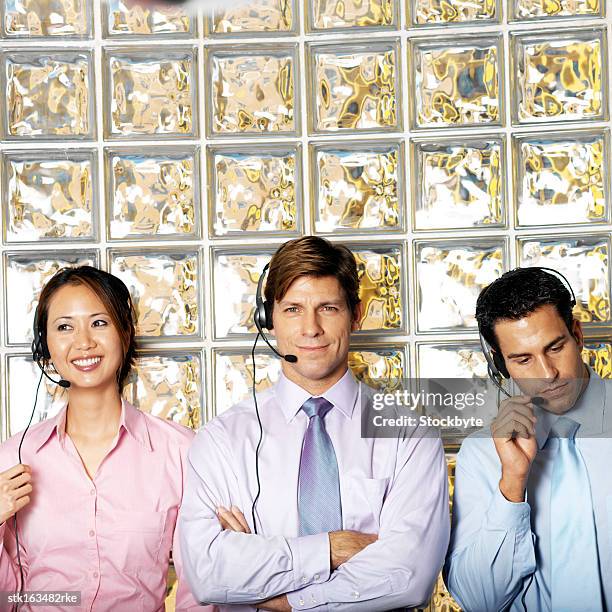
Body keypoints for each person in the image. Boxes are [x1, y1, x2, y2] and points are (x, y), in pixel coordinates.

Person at [179, 236, 449, 611]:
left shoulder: (409, 436)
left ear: (355, 315)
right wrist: (330, 549)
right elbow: (207, 573)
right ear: (267, 318)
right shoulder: (223, 439)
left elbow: (409, 578)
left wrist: (281, 597)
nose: (311, 328)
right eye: (292, 309)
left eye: (328, 308)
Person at [0, 266, 205, 611]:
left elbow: (199, 587)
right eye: (65, 327)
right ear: (44, 345)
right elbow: (7, 599)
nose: (84, 343)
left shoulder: (181, 452)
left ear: (125, 332)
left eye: (99, 323)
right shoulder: (14, 457)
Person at [445, 267, 612, 611]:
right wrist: (512, 482)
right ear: (501, 365)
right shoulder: (480, 454)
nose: (547, 374)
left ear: (577, 335)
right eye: (523, 359)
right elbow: (479, 601)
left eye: (555, 347)